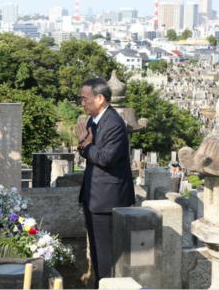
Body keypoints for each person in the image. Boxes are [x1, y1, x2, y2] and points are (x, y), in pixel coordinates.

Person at [76, 78, 135, 287]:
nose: (82, 103)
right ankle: (99, 283)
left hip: (108, 199)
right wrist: (84, 144)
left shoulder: (114, 124)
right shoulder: (94, 120)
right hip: (94, 195)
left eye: (85, 98)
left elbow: (105, 158)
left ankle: (107, 284)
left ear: (100, 98)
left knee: (107, 253)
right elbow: (86, 148)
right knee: (97, 250)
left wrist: (87, 146)